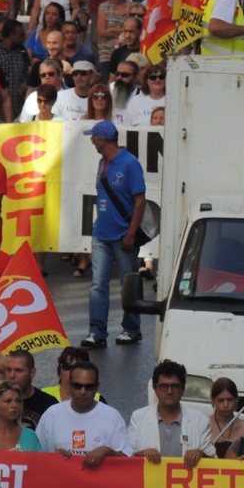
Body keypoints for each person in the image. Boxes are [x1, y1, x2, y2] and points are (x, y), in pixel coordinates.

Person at [82, 121, 146, 348]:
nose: (92, 140)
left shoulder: (129, 164)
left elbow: (140, 201)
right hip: (102, 233)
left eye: (94, 137)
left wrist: (130, 234)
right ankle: (96, 331)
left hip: (122, 235)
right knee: (98, 285)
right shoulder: (103, 163)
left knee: (128, 282)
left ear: (102, 139)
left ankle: (132, 329)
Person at [36, 362, 132, 463]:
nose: (82, 392)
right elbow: (35, 455)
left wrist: (107, 451)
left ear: (97, 386)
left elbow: (128, 462)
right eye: (77, 386)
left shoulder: (112, 417)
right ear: (69, 384)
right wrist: (55, 458)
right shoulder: (51, 414)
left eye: (89, 387)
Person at [129, 360, 216, 467]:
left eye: (175, 386)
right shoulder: (138, 418)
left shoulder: (200, 421)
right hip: (150, 483)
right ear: (155, 389)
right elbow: (126, 457)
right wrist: (140, 454)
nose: (169, 391)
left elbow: (214, 461)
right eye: (164, 386)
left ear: (183, 389)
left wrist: (201, 454)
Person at [208, 377, 244, 457]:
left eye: (230, 400)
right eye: (221, 400)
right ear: (213, 400)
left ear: (236, 400)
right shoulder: (203, 425)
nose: (225, 405)